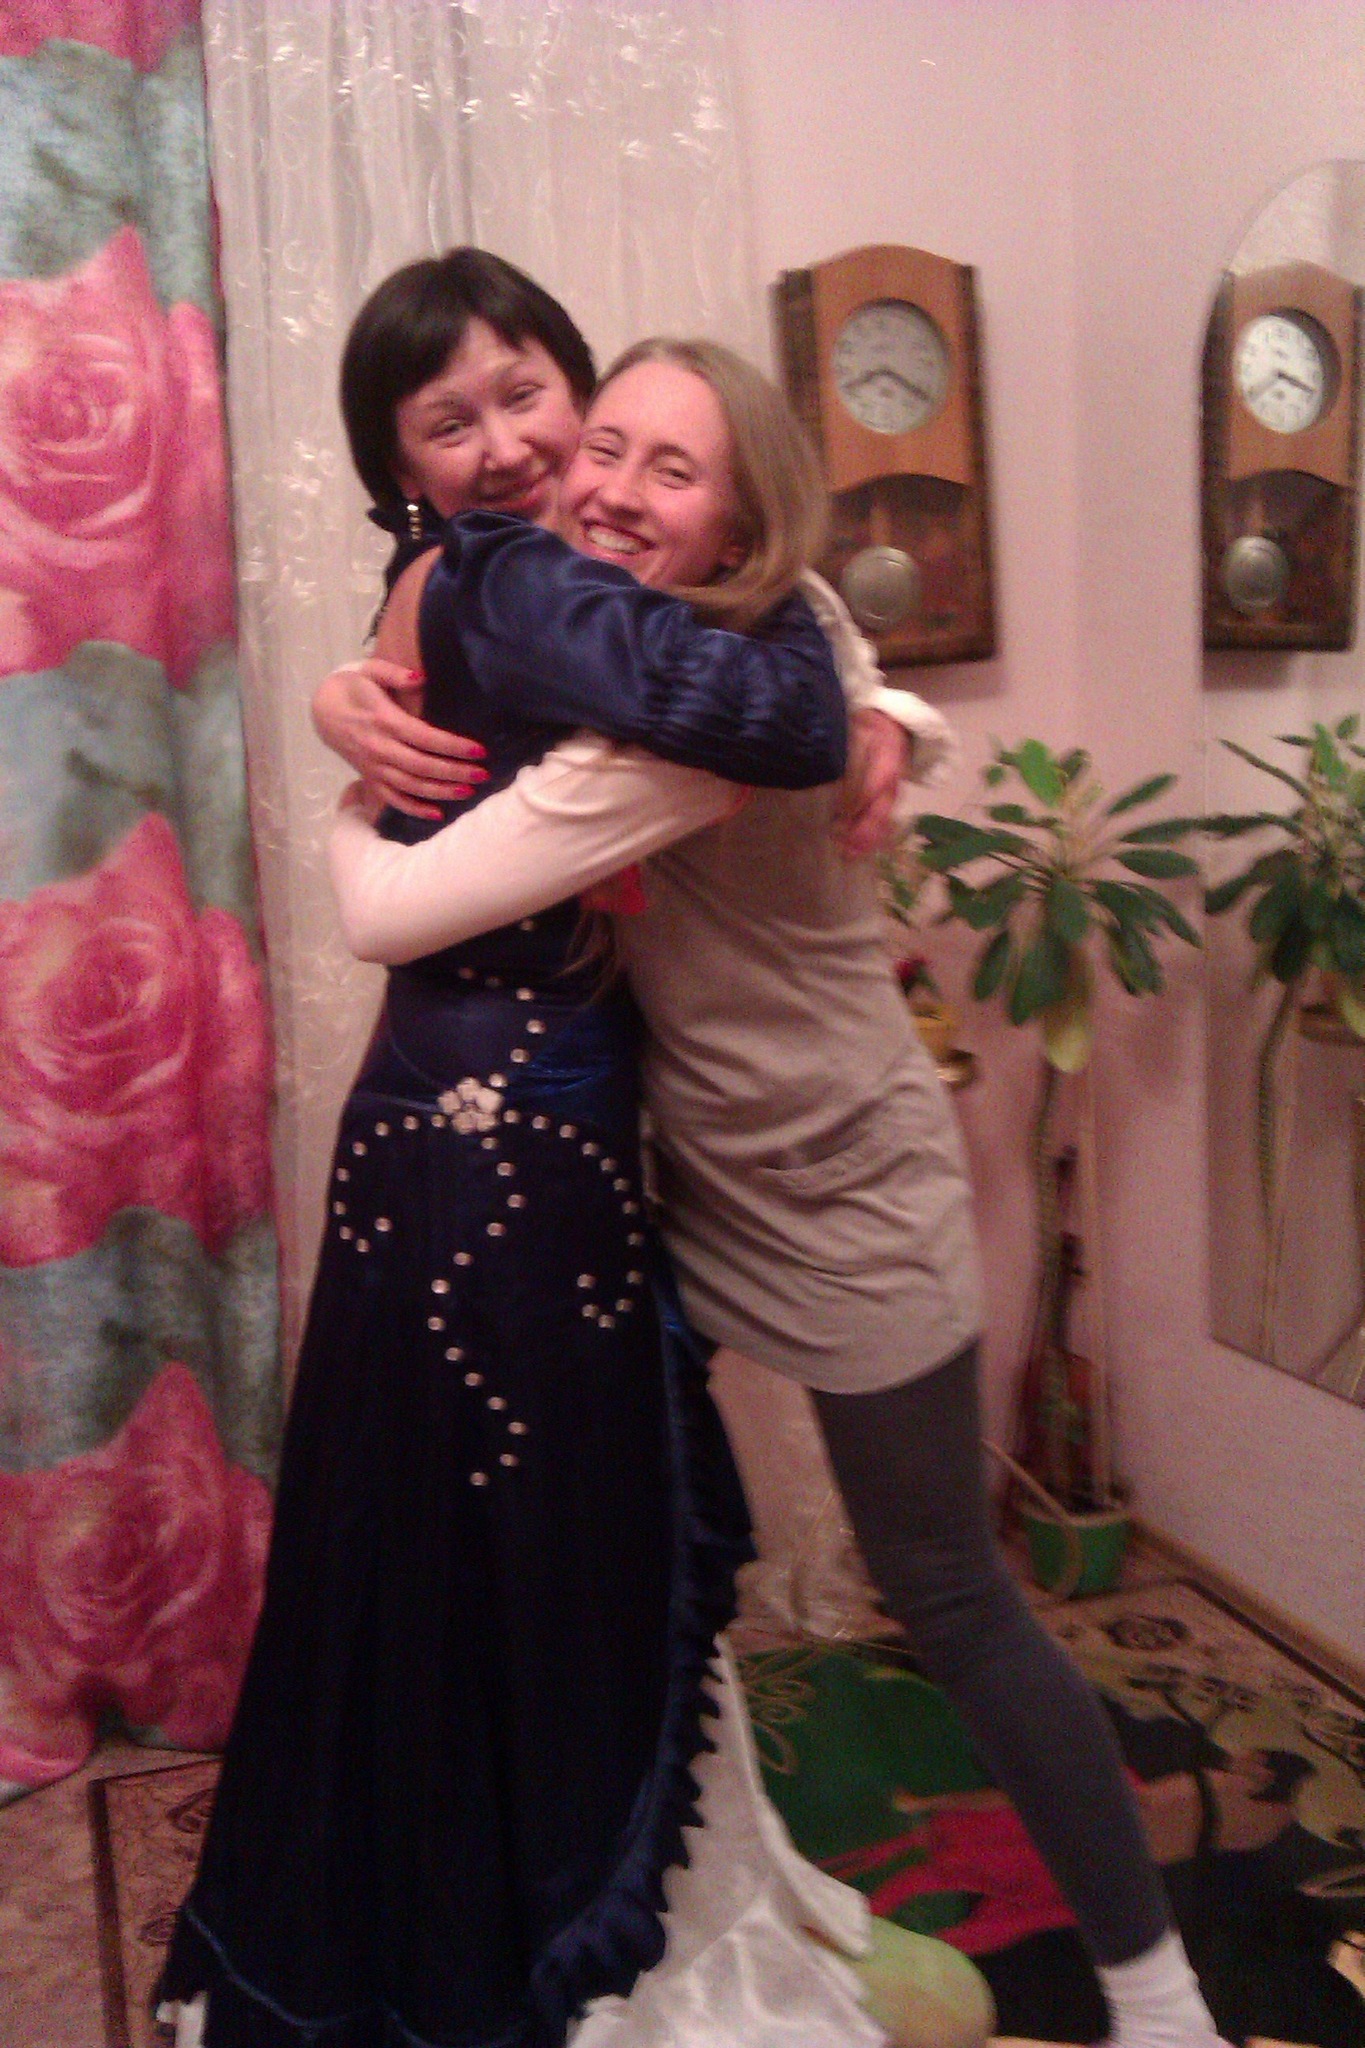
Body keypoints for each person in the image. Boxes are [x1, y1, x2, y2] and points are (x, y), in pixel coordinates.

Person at [318, 294, 1233, 2048]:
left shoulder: (687, 724)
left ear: (741, 524)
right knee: (643, 1548)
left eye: (671, 470)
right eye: (604, 445)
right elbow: (826, 660)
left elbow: (390, 907)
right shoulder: (675, 642)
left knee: (949, 1594)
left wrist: (345, 800)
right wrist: (340, 694)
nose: (605, 485)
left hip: (843, 1197)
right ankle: (689, 1883)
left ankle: (1158, 1992)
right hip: (680, 1187)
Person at [156, 250, 922, 2048]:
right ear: (398, 464)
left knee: (461, 1547)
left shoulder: (505, 576)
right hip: (501, 1148)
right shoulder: (499, 575)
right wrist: (848, 705)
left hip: (473, 1121)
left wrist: (893, 698)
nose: (505, 446)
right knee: (533, 1554)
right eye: (450, 422)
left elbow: (784, 623)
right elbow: (773, 701)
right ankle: (536, 1948)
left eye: (527, 395)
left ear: (581, 386)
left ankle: (450, 1908)